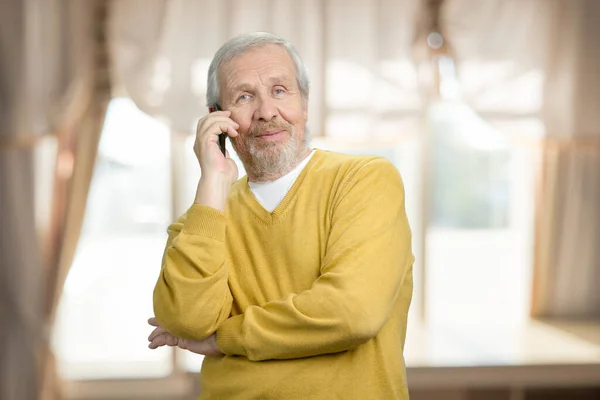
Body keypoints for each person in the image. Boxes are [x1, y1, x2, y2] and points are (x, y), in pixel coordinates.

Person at [147, 31, 414, 399]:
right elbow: (188, 320)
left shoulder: (364, 179)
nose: (267, 112)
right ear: (217, 118)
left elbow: (351, 313)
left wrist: (225, 338)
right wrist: (214, 180)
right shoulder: (206, 215)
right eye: (244, 96)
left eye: (279, 91)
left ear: (304, 103)